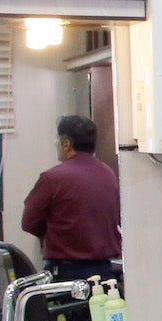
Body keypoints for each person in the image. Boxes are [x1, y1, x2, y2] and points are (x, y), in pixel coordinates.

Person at [20, 115, 121, 287]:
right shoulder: (108, 174)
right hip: (105, 272)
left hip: (66, 275)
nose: (55, 144)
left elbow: (29, 223)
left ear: (66, 143)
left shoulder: (53, 178)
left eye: (57, 140)